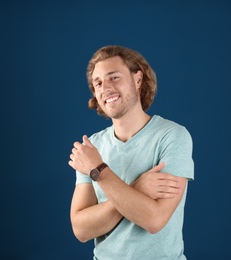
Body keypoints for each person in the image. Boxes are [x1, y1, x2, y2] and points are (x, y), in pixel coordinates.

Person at [68, 45, 194, 259]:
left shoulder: (173, 136)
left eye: (114, 77)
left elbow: (154, 220)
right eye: (97, 83)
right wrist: (137, 188)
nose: (105, 88)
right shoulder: (92, 148)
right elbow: (81, 230)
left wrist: (98, 169)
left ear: (137, 80)